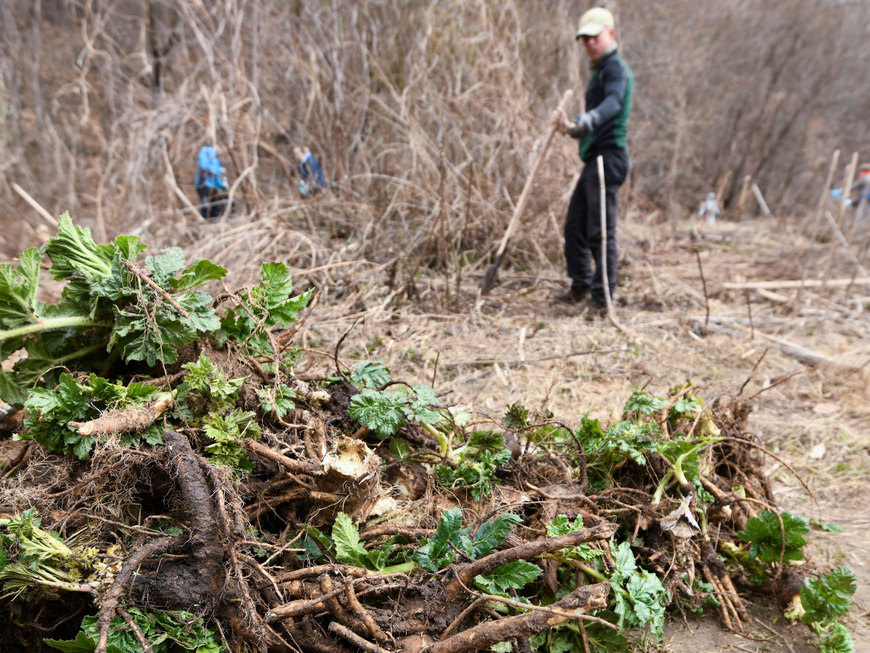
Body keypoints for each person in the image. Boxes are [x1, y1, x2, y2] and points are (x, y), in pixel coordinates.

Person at [550, 7, 633, 314]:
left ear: (610, 34)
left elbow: (613, 103)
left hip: (608, 158)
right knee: (575, 228)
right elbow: (590, 125)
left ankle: (602, 299)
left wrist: (589, 118)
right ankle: (581, 286)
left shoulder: (615, 69)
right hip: (594, 159)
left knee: (600, 230)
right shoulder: (599, 72)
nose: (589, 44)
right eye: (584, 39)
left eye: (594, 37)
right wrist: (570, 127)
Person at [194, 145, 229, 220]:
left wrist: (222, 186)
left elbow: (216, 177)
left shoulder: (216, 160)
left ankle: (213, 220)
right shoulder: (204, 153)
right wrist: (219, 170)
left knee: (215, 204)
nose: (222, 152)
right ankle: (204, 220)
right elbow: (204, 167)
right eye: (222, 150)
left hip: (213, 186)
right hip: (203, 184)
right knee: (205, 204)